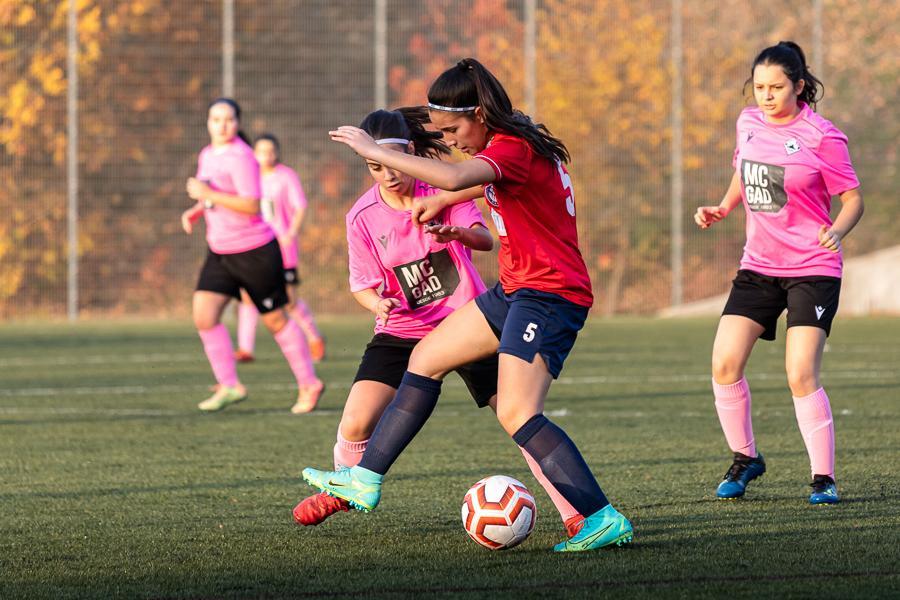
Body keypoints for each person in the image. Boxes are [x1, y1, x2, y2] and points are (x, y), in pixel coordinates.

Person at [302, 59, 632, 553]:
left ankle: (600, 516)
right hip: (516, 291)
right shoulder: (516, 144)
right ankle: (364, 479)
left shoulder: (512, 147)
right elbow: (491, 186)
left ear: (479, 113)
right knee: (426, 358)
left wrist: (375, 151)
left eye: (454, 129)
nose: (452, 139)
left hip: (548, 295)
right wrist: (449, 214)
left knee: (518, 413)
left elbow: (457, 178)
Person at [694, 42, 863, 504]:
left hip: (813, 267)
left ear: (799, 86)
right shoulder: (747, 122)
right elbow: (743, 172)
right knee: (724, 363)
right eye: (760, 87)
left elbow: (852, 199)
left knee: (800, 373)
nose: (766, 96)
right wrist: (723, 207)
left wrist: (838, 231)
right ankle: (746, 459)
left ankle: (823, 479)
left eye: (776, 87)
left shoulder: (822, 135)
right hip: (759, 265)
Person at [180, 98, 324, 414]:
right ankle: (230, 385)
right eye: (216, 119)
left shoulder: (242, 157)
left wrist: (206, 195)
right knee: (204, 315)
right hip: (220, 251)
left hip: (255, 251)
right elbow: (214, 197)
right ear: (207, 122)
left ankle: (309, 383)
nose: (222, 125)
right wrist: (197, 209)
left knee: (275, 320)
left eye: (229, 119)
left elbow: (250, 204)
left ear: (238, 123)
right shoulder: (207, 155)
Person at [233, 134, 326, 364]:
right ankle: (245, 349)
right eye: (261, 151)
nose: (266, 155)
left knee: (289, 300)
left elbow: (300, 206)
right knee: (246, 295)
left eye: (270, 151)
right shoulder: (249, 176)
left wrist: (290, 233)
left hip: (281, 247)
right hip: (254, 245)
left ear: (277, 153)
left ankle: (314, 338)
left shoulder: (286, 176)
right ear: (254, 153)